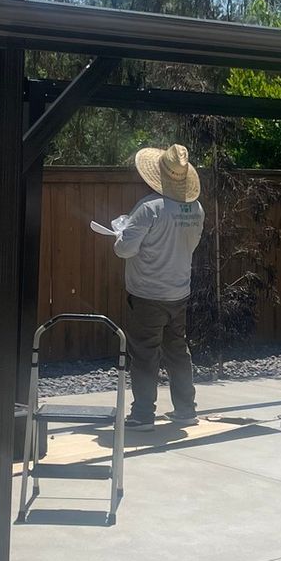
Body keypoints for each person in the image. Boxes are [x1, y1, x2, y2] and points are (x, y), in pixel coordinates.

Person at [110, 143, 206, 426]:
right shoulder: (195, 209)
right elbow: (192, 244)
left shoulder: (148, 208)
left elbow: (124, 250)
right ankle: (187, 409)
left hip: (147, 294)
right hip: (179, 292)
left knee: (144, 354)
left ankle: (142, 414)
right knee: (178, 350)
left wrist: (120, 234)